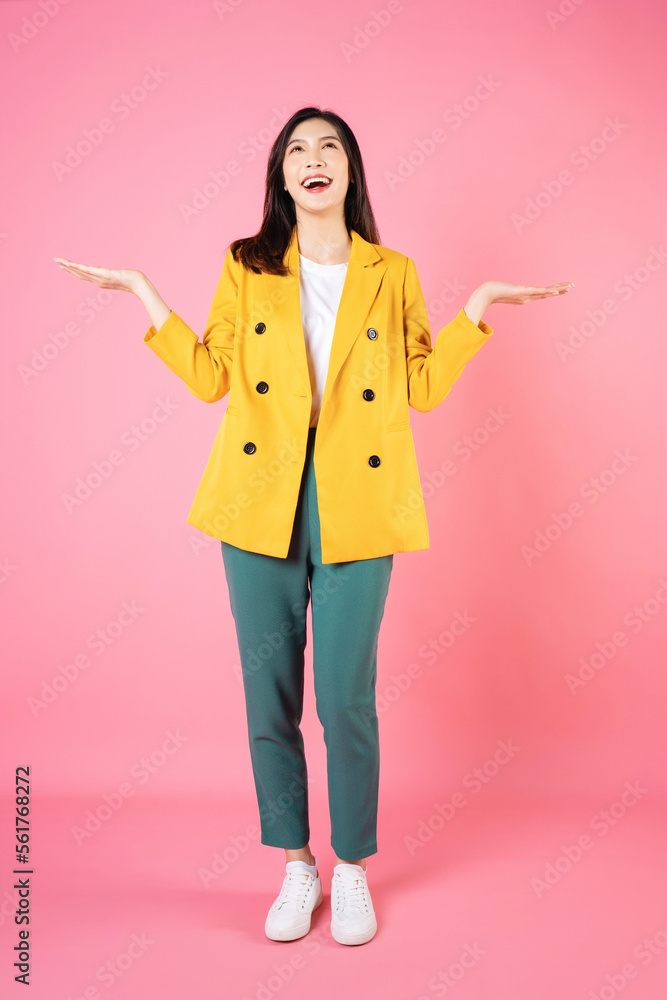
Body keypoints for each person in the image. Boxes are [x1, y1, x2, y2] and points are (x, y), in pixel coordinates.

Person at [54, 104, 574, 947]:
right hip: (257, 501)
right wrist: (144, 295)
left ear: (349, 170)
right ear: (282, 176)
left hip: (358, 505)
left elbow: (425, 386)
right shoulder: (247, 265)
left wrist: (475, 309)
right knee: (270, 695)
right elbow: (209, 379)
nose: (312, 158)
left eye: (328, 145)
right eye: (296, 149)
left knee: (345, 698)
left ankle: (352, 867)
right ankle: (296, 866)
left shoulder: (391, 270)